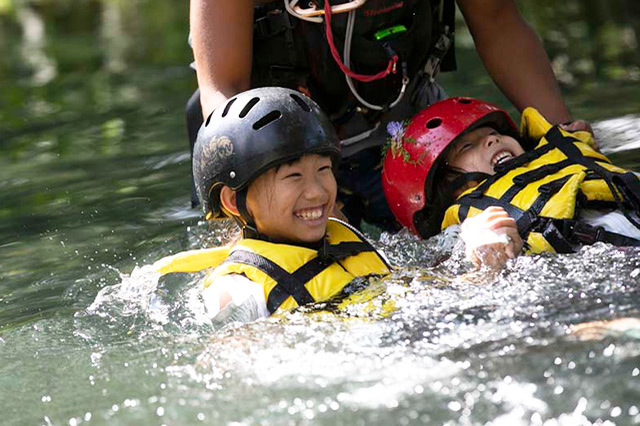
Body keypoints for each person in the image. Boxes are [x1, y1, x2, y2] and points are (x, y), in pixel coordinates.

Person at [186, 0, 583, 231]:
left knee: (527, 221)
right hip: (272, 147)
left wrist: (562, 138)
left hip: (411, 126)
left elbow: (497, 22)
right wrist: (304, 190)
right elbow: (224, 86)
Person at [155, 87, 391, 324]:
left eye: (323, 169)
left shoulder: (347, 239)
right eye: (294, 176)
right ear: (232, 201)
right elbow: (233, 349)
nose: (316, 192)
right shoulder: (238, 289)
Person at [382, 97, 640, 268]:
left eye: (494, 133)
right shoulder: (471, 225)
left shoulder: (558, 157)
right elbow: (459, 286)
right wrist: (484, 255)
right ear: (449, 192)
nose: (492, 140)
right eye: (469, 146)